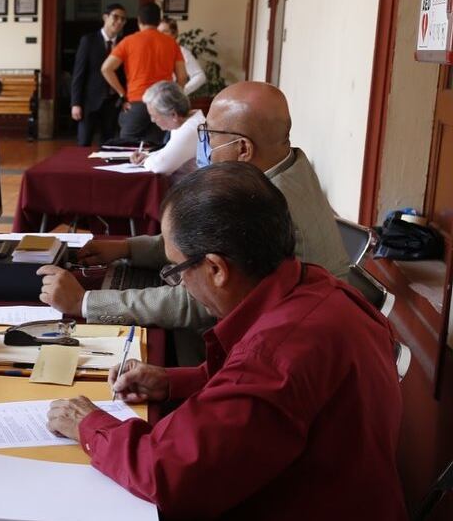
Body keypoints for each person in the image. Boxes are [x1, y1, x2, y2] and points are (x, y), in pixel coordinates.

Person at [46, 162, 405, 519]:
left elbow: (170, 473)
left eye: (177, 270)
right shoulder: (319, 286)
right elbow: (261, 395)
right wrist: (173, 381)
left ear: (216, 269)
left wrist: (89, 425)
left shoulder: (271, 358)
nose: (180, 283)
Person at [37, 82, 351, 332]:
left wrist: (85, 303)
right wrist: (126, 248)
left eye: (210, 135)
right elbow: (201, 242)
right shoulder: (291, 164)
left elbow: (195, 301)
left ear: (243, 148)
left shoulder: (262, 204)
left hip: (277, 341)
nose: (206, 146)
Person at [102, 2, 187, 146]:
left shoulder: (128, 41)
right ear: (159, 21)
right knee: (156, 147)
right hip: (162, 103)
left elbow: (106, 68)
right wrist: (172, 99)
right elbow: (182, 77)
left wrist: (122, 94)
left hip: (137, 102)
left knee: (126, 146)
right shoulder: (171, 43)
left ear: (139, 21)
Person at [70, 3, 127, 146]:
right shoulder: (88, 40)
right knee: (83, 142)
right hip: (89, 101)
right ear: (105, 17)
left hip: (113, 102)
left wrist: (125, 98)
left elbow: (125, 74)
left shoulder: (124, 43)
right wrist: (75, 103)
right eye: (116, 17)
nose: (119, 21)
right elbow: (79, 73)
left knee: (108, 144)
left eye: (123, 19)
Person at [129, 81, 204, 178]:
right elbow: (168, 151)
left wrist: (146, 160)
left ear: (173, 115)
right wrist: (147, 156)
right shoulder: (186, 122)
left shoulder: (190, 129)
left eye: (154, 116)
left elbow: (159, 166)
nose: (152, 120)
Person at [158, 18, 207, 96]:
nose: (160, 35)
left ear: (174, 34)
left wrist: (182, 91)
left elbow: (200, 76)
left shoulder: (182, 52)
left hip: (171, 99)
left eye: (165, 31)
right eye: (158, 32)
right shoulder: (153, 51)